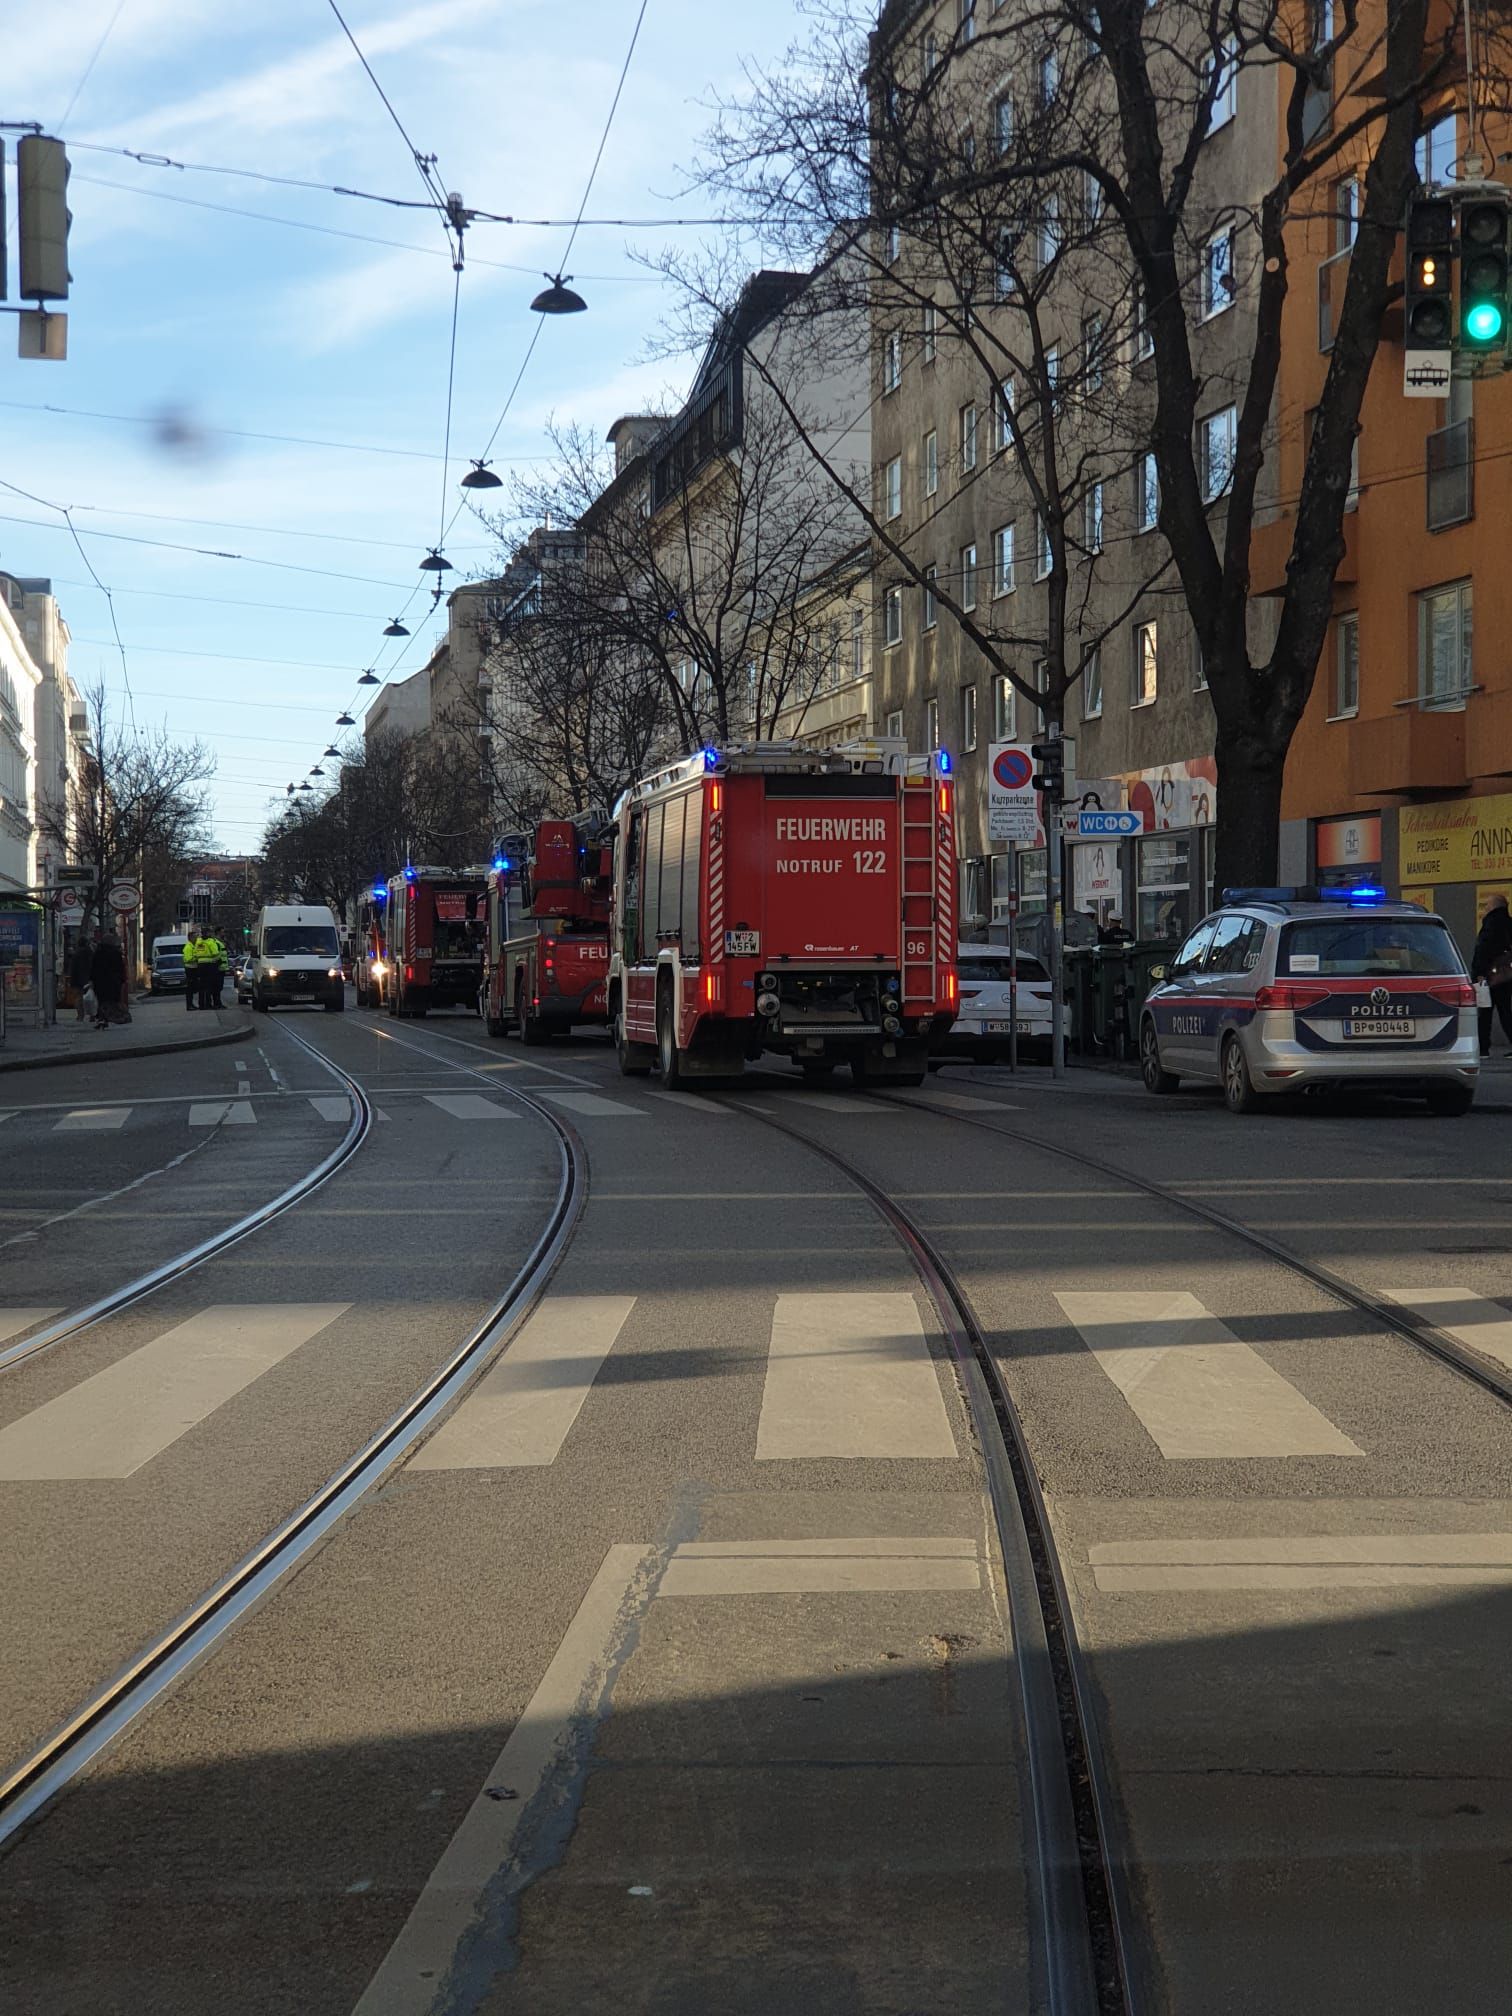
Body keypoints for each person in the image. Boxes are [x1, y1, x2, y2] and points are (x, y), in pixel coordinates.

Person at [1471, 892, 1512, 1056]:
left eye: (1487, 905)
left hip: (1489, 975)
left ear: (1494, 906)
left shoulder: (1491, 923)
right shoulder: (1509, 923)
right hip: (1506, 975)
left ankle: (1483, 1048)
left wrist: (1479, 972)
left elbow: (1484, 949)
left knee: (1485, 1012)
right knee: (1505, 1011)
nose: (1485, 908)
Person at [91, 928, 126, 1030]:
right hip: (113, 982)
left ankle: (102, 1018)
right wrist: (122, 979)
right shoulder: (115, 952)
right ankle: (111, 1017)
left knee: (102, 1000)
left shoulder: (98, 952)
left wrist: (92, 979)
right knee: (111, 1001)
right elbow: (120, 967)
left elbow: (94, 967)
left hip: (100, 982)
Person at [68, 935, 95, 1022]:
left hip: (77, 979)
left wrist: (72, 980)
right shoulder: (90, 953)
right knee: (91, 997)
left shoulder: (76, 954)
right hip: (89, 978)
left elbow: (73, 968)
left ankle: (80, 1015)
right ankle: (92, 1015)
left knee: (79, 997)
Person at [199, 928, 225, 1009]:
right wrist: (218, 960)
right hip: (211, 965)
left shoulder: (199, 942)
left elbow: (196, 953)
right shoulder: (211, 942)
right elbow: (215, 953)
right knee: (212, 986)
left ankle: (203, 1004)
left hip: (201, 965)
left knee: (204, 987)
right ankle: (210, 1004)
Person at [183, 929, 201, 1010]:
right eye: (194, 937)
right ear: (190, 938)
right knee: (190, 988)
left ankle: (191, 1004)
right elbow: (188, 959)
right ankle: (189, 1005)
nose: (196, 939)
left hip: (194, 968)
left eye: (196, 937)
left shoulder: (194, 946)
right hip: (190, 969)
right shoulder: (188, 947)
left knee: (194, 987)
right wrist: (197, 958)